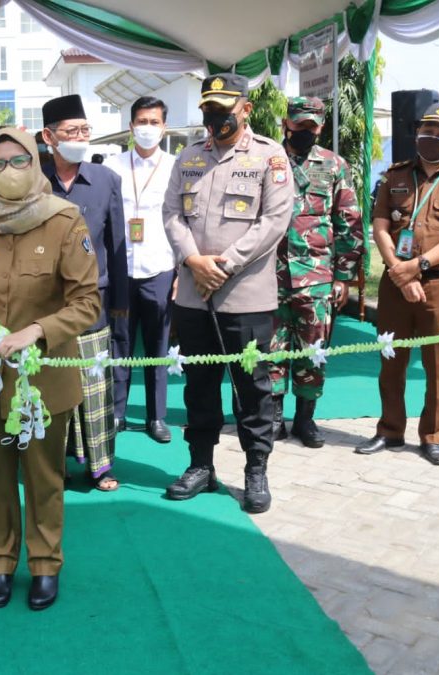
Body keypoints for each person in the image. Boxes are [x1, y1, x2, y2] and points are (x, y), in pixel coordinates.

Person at [0, 127, 100, 611]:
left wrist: (38, 331)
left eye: (18, 161)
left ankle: (44, 563)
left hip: (43, 380)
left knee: (42, 475)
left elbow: (87, 301)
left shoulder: (64, 220)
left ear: (35, 163)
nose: (8, 172)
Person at [162, 73, 293, 513]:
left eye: (224, 107)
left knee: (251, 387)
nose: (215, 116)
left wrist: (224, 264)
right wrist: (193, 260)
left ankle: (256, 469)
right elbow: (171, 214)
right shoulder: (189, 157)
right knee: (199, 385)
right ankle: (201, 466)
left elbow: (274, 221)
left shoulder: (269, 157)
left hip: (246, 296)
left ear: (246, 109)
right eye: (208, 108)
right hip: (195, 294)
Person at [356, 101, 439, 465]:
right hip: (396, 282)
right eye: (428, 130)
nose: (433, 138)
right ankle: (390, 430)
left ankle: (433, 436)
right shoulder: (394, 176)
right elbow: (380, 225)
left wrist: (419, 266)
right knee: (391, 361)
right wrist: (398, 269)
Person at [40, 94, 127, 491]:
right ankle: (51, 464)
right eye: (71, 131)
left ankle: (101, 466)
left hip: (93, 299)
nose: (80, 137)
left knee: (95, 387)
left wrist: (121, 304)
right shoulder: (34, 181)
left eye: (84, 130)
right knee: (52, 387)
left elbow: (117, 242)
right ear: (49, 136)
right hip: (44, 305)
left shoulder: (106, 180)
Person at [270, 97, 363, 447]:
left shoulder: (334, 165)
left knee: (313, 350)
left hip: (318, 275)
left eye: (311, 125)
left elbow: (349, 221)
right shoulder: (268, 160)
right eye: (299, 124)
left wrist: (343, 276)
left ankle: (305, 419)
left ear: (320, 127)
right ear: (286, 123)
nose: (304, 130)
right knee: (271, 349)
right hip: (270, 275)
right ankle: (275, 416)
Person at [104, 96, 176, 445]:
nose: (147, 128)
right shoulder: (112, 166)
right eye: (141, 121)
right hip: (122, 269)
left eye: (154, 122)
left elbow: (182, 221)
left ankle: (156, 416)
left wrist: (180, 274)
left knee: (157, 347)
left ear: (164, 127)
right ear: (131, 126)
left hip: (160, 267)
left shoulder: (175, 166)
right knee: (120, 343)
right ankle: (117, 413)